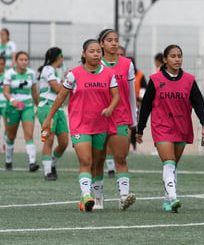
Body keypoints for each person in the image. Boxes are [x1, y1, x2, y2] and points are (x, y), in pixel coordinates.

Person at [42, 39, 120, 212]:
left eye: (98, 51)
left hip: (101, 124)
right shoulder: (74, 74)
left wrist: (110, 108)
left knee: (98, 162)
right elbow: (61, 96)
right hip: (80, 125)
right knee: (86, 160)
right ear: (84, 54)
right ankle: (86, 196)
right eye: (92, 51)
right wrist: (48, 118)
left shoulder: (109, 73)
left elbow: (116, 96)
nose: (96, 54)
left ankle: (98, 196)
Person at [137, 44, 204, 212]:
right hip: (161, 127)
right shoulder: (155, 80)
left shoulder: (189, 80)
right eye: (173, 56)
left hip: (181, 126)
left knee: (172, 165)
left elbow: (198, 103)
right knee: (169, 163)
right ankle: (174, 197)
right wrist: (140, 129)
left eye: (179, 56)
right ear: (165, 60)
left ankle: (167, 200)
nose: (177, 59)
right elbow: (146, 106)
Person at [93, 29, 137, 211]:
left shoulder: (127, 64)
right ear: (101, 44)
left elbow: (132, 94)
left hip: (120, 116)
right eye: (109, 40)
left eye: (116, 40)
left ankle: (124, 196)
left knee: (120, 156)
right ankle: (97, 198)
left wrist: (134, 120)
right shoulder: (95, 64)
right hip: (99, 118)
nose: (114, 43)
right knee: (98, 159)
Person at [3, 51, 39, 171]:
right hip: (13, 107)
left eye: (25, 60)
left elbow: (34, 92)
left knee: (29, 134)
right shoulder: (9, 73)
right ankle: (8, 161)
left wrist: (38, 106)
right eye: (21, 59)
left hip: (27, 106)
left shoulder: (31, 74)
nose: (24, 62)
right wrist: (12, 100)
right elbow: (6, 91)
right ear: (16, 61)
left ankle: (32, 162)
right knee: (11, 136)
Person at [37, 47, 69, 180]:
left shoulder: (55, 72)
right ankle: (47, 171)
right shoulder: (48, 69)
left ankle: (52, 163)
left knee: (64, 142)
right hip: (47, 107)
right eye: (62, 57)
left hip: (59, 109)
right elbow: (57, 89)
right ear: (58, 58)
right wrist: (67, 80)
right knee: (49, 139)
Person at [0, 56, 7, 153]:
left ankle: (5, 145)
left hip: (5, 103)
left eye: (2, 64)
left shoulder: (7, 75)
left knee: (7, 126)